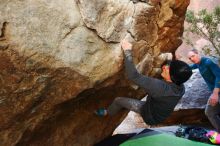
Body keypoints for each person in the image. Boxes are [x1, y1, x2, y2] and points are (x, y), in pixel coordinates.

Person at [95, 40, 192, 125]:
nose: (165, 67)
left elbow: (133, 76)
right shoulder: (180, 85)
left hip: (150, 116)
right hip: (160, 112)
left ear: (172, 78)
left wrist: (127, 51)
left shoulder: (160, 88)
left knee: (118, 100)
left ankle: (107, 112)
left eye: (168, 69)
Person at [187, 49, 220, 132]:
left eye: (193, 56)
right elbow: (189, 67)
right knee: (210, 112)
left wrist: (215, 94)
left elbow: (219, 76)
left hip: (217, 91)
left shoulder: (208, 62)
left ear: (198, 53)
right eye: (190, 58)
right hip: (215, 93)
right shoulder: (198, 64)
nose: (192, 59)